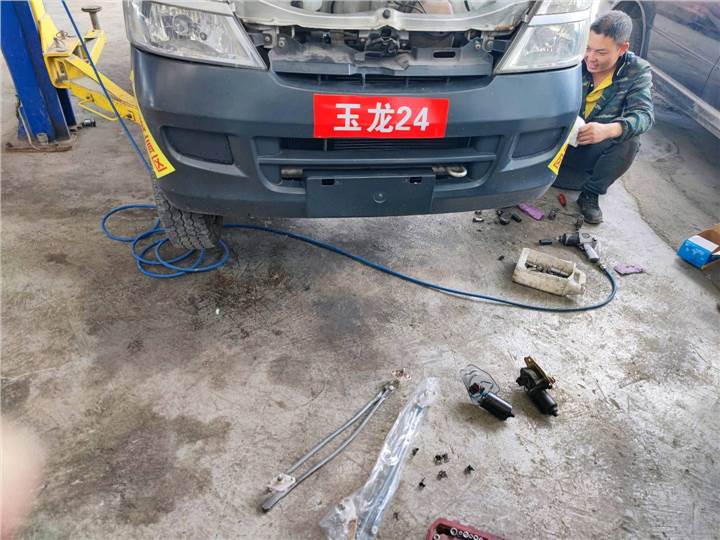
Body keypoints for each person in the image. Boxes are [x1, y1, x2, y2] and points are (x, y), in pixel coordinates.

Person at [554, 10, 655, 224]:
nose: (591, 58)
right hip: (552, 150)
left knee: (630, 139)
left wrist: (608, 130)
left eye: (600, 52)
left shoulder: (636, 71)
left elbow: (644, 115)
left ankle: (590, 194)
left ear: (622, 49)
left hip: (585, 162)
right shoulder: (572, 56)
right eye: (588, 48)